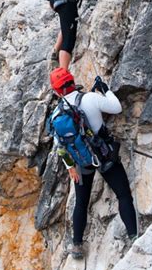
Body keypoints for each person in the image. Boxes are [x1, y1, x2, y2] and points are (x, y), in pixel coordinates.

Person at [50, 68, 138, 259]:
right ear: (72, 81)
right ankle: (133, 236)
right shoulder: (90, 98)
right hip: (104, 156)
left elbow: (60, 145)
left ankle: (77, 245)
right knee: (123, 195)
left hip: (82, 162)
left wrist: (70, 167)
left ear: (57, 91)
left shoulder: (57, 113)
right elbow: (116, 108)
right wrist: (105, 90)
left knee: (81, 202)